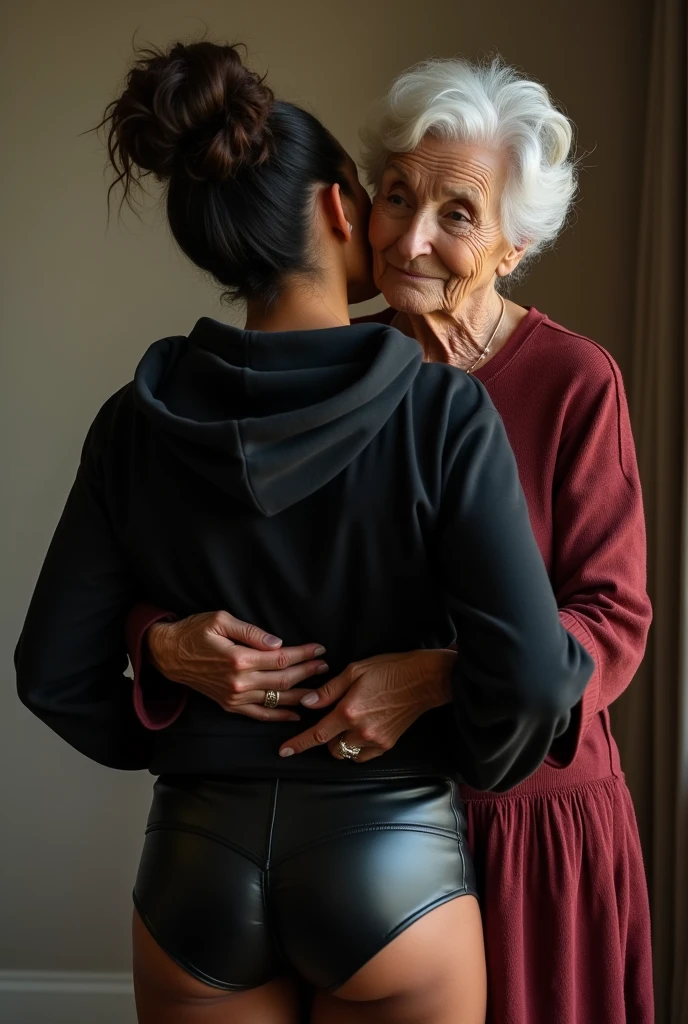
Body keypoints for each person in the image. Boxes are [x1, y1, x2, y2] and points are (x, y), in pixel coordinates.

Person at [14, 42, 593, 1024]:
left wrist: (164, 677)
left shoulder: (133, 420)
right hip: (392, 863)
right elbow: (537, 678)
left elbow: (51, 673)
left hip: (195, 863)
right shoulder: (442, 412)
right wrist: (463, 744)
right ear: (336, 209)